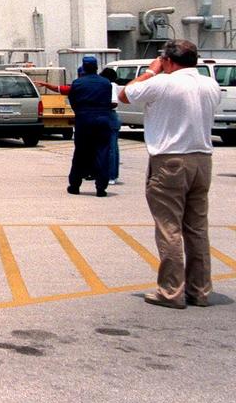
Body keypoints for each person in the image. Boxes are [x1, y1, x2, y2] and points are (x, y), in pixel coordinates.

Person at [120, 40, 221, 309]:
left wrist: (151, 71)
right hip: (202, 159)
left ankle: (171, 291)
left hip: (170, 160)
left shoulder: (163, 82)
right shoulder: (209, 85)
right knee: (197, 228)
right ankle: (200, 290)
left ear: (168, 60)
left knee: (169, 228)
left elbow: (124, 95)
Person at [35, 55, 114, 196]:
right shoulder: (106, 83)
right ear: (96, 67)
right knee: (102, 151)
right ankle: (101, 187)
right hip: (103, 120)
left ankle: (75, 185)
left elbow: (69, 96)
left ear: (83, 68)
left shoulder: (78, 83)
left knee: (80, 152)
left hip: (84, 120)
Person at [99, 67, 122, 185]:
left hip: (110, 116)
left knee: (111, 149)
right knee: (113, 148)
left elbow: (113, 103)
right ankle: (113, 174)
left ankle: (111, 175)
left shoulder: (111, 85)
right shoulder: (113, 85)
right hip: (111, 116)